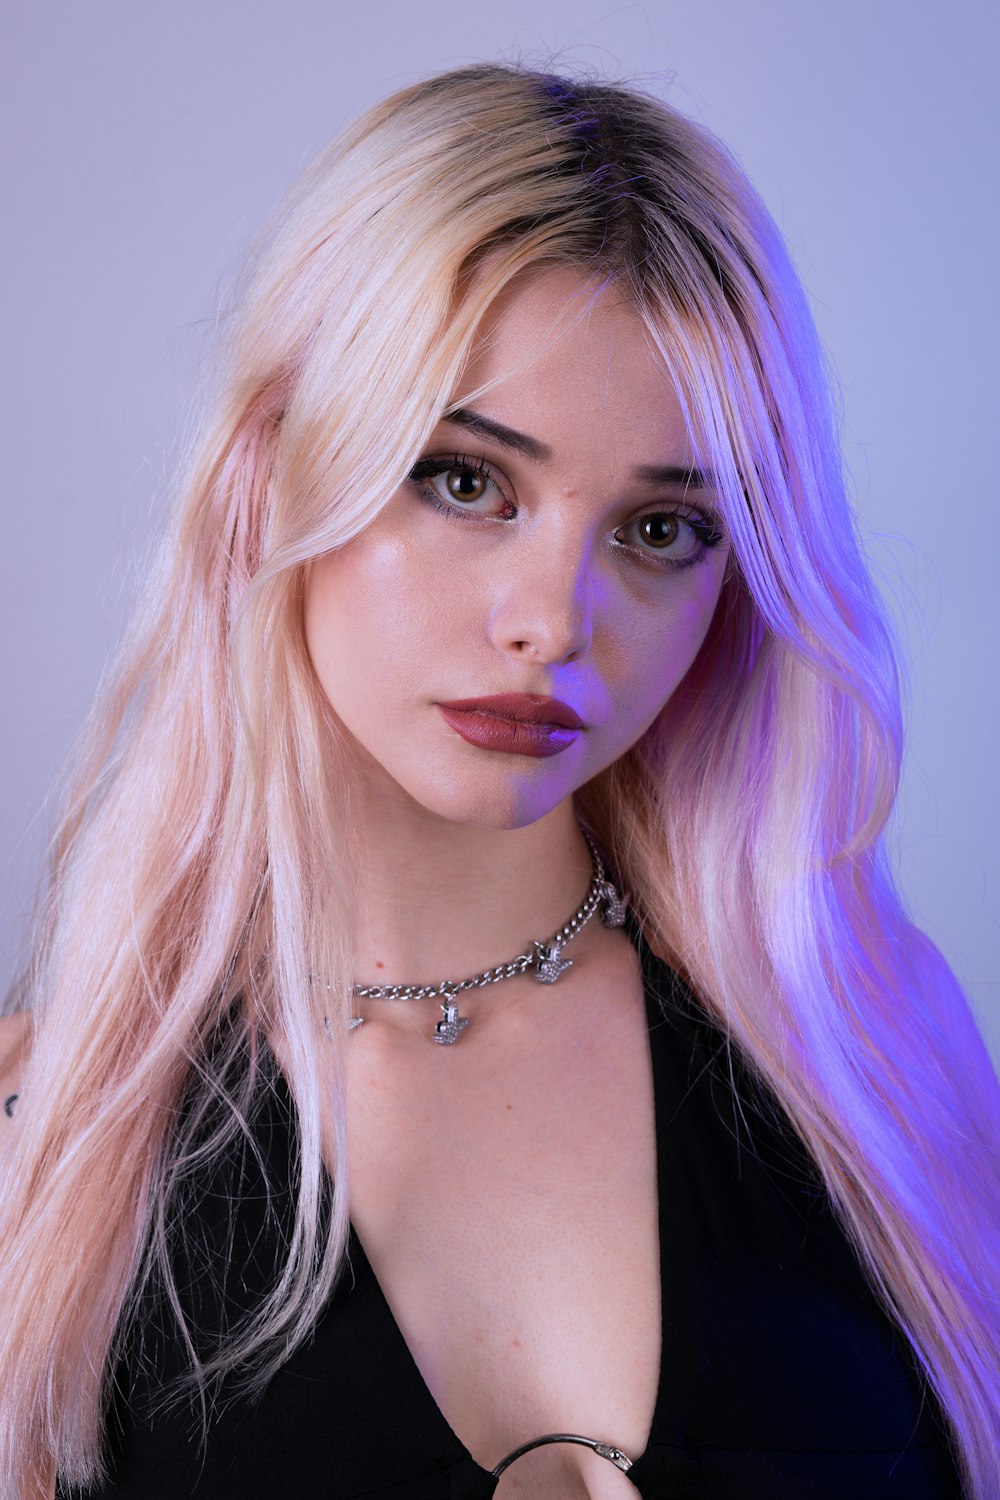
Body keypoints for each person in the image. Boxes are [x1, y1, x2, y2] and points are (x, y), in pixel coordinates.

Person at [0, 59, 997, 1500]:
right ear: (274, 469)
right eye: (467, 481)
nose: (555, 620)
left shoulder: (875, 1058)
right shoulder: (53, 1151)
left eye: (662, 528)